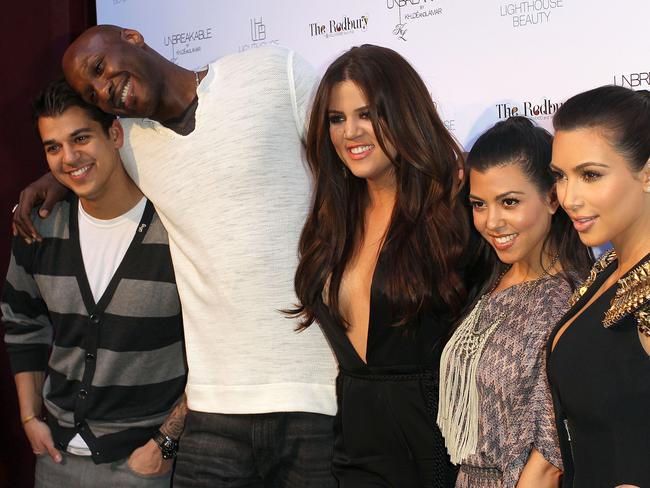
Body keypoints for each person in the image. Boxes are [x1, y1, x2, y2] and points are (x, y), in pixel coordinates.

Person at [12, 24, 339, 488]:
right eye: (93, 90)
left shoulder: (271, 71)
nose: (105, 89)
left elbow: (351, 169)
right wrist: (46, 183)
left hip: (318, 390)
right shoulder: (129, 138)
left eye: (100, 68)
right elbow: (83, 158)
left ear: (132, 37)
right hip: (212, 410)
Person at [289, 44, 477, 487]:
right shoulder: (331, 224)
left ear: (403, 114)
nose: (350, 131)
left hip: (441, 453)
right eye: (337, 118)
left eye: (367, 114)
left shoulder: (455, 211)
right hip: (354, 454)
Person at [2, 79, 186, 487]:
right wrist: (29, 416)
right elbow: (21, 322)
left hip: (147, 465)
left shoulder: (174, 229)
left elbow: (216, 346)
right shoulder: (39, 228)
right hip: (55, 461)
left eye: (81, 138)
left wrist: (166, 445)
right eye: (53, 147)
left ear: (115, 134)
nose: (69, 158)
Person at [437, 116, 593, 487]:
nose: (492, 221)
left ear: (552, 198)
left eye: (509, 202)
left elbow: (551, 453)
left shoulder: (563, 301)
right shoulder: (492, 279)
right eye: (479, 204)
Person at [548, 86, 650, 488]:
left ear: (646, 174)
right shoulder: (607, 269)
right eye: (560, 176)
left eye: (590, 175)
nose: (569, 197)